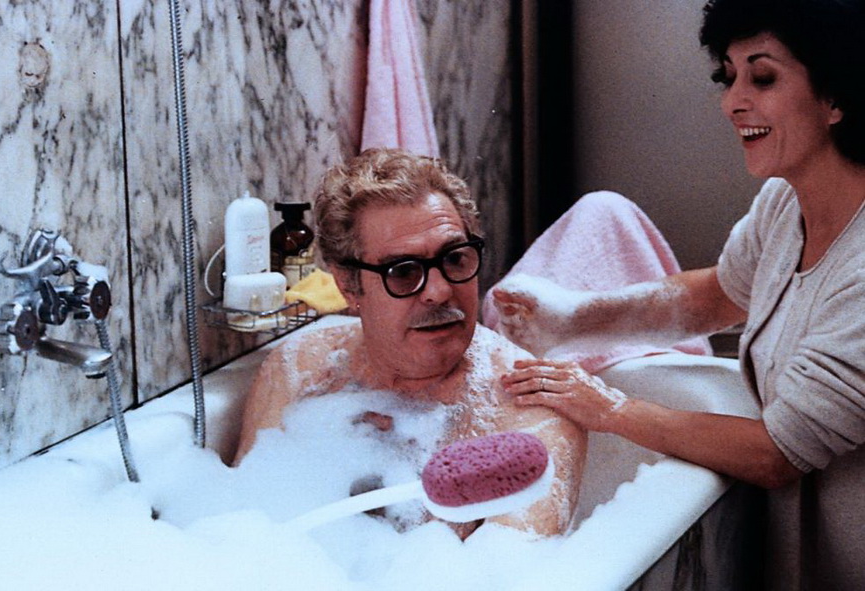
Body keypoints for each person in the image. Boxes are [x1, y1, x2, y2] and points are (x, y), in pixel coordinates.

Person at [491, 0, 865, 587]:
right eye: (728, 76)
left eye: (762, 78)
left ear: (837, 95)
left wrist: (611, 410)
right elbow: (716, 295)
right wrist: (571, 318)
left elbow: (776, 455)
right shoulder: (785, 202)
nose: (732, 101)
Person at [234, 148, 586, 539]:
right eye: (403, 271)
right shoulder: (298, 368)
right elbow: (242, 533)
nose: (439, 291)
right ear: (348, 285)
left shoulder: (531, 408)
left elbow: (508, 566)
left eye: (455, 259)